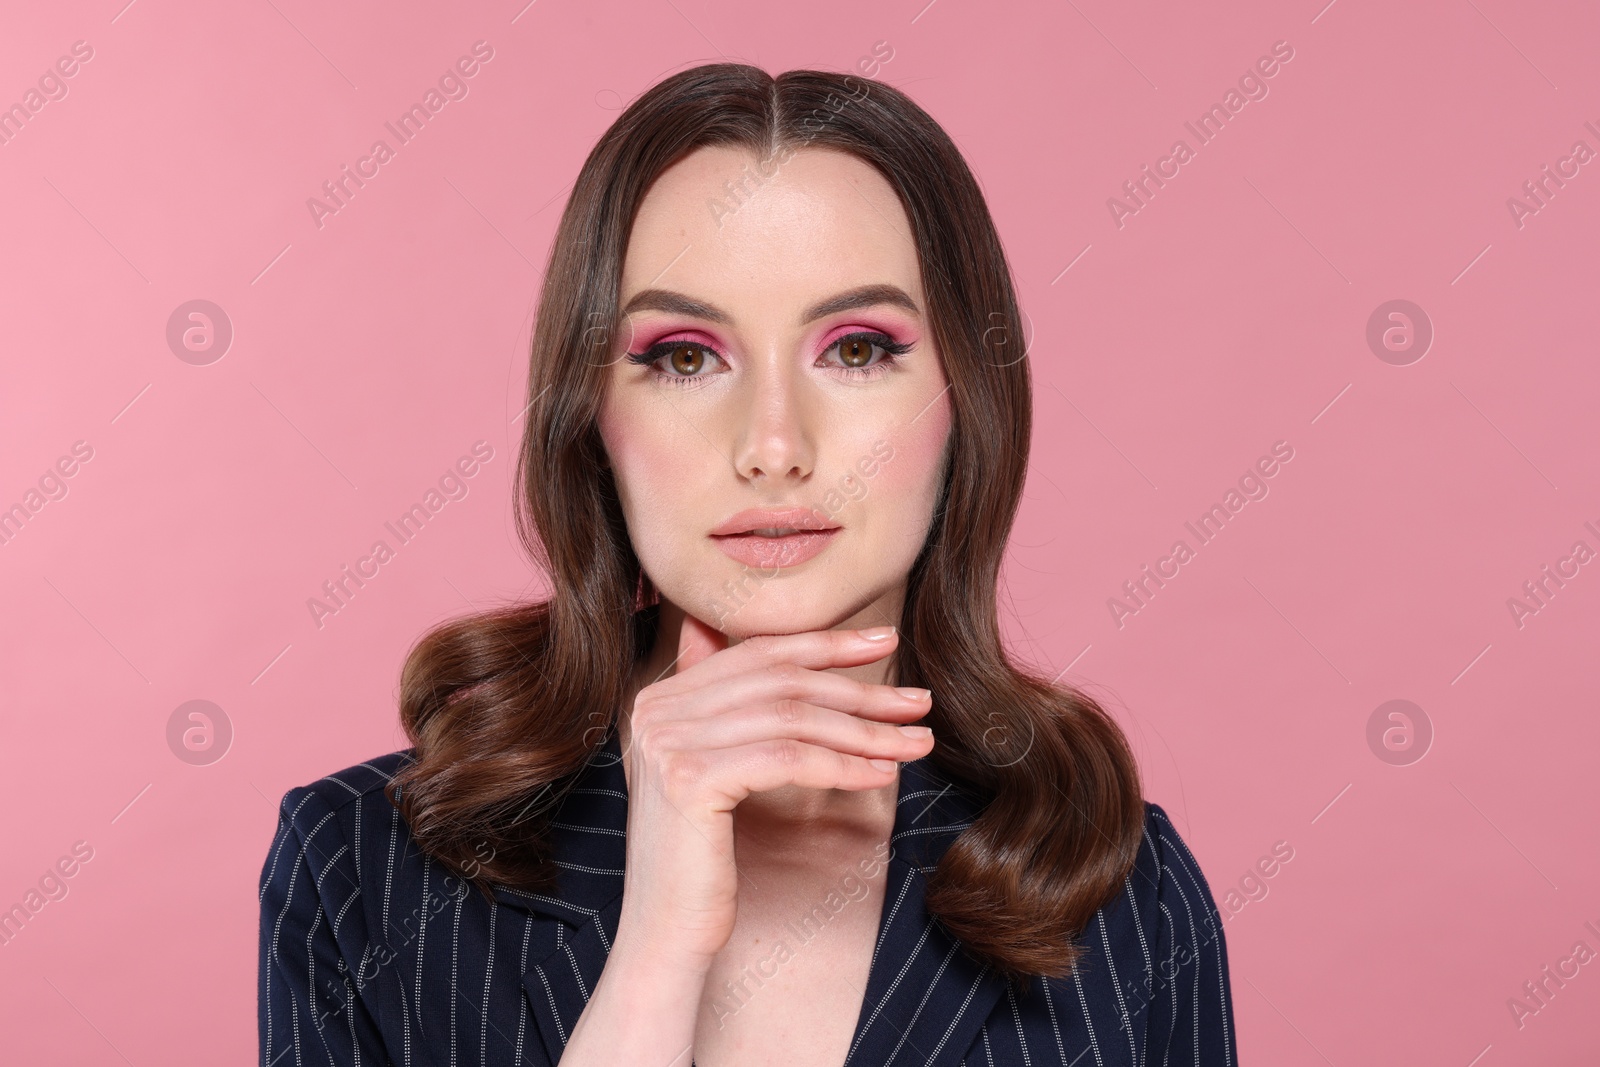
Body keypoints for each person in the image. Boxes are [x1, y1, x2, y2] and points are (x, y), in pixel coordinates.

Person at [258, 62, 1236, 1067]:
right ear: (592, 418)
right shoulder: (362, 872)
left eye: (856, 349)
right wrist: (654, 954)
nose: (773, 444)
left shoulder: (1119, 894)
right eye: (684, 356)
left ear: (964, 403)